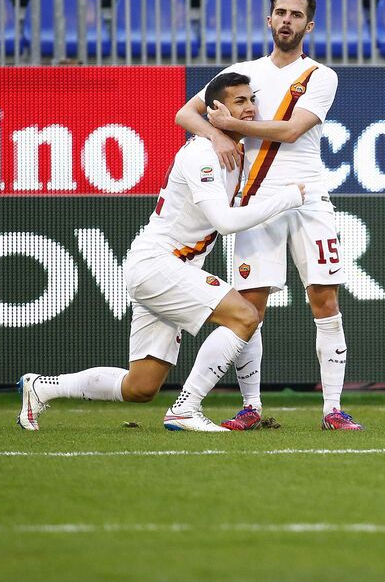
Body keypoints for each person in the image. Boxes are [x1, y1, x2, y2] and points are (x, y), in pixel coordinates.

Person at [18, 73, 307, 433]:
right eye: (239, 102)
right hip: (159, 264)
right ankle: (186, 408)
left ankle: (40, 388)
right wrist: (291, 197)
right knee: (245, 317)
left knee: (140, 386)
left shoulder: (229, 147)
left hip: (166, 268)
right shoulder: (202, 154)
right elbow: (225, 221)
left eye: (251, 100)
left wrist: (220, 133)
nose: (249, 109)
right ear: (216, 109)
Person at [174, 0, 363, 432]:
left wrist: (232, 122)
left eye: (296, 15)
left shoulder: (320, 75)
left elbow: (293, 130)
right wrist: (219, 135)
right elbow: (186, 114)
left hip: (308, 199)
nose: (286, 21)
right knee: (250, 306)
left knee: (325, 298)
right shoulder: (241, 72)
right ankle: (251, 407)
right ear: (268, 19)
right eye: (280, 12)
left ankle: (332, 409)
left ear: (308, 25)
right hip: (254, 201)